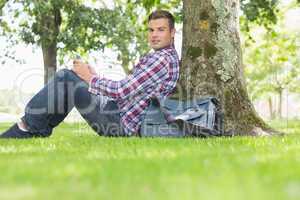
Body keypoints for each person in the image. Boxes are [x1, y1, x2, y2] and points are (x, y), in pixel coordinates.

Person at [0, 10, 179, 139]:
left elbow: (121, 90)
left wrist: (90, 78)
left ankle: (28, 127)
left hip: (120, 124)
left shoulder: (161, 60)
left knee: (66, 78)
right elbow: (129, 90)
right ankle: (35, 128)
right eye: (151, 30)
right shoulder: (162, 57)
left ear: (172, 33)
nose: (154, 35)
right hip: (115, 111)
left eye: (161, 30)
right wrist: (93, 77)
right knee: (71, 79)